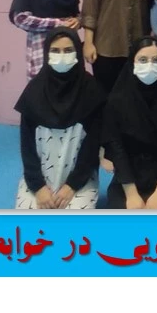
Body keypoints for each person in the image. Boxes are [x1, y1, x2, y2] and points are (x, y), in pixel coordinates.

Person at [12, 28, 106, 209]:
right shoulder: (34, 92)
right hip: (40, 179)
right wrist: (38, 187)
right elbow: (27, 146)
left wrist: (72, 186)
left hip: (79, 180)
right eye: (55, 50)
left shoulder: (91, 91)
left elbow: (92, 147)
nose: (62, 56)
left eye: (68, 50)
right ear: (46, 53)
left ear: (77, 52)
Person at [101, 37, 157, 209]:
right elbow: (116, 149)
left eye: (156, 60)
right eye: (143, 60)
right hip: (127, 180)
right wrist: (132, 195)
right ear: (132, 63)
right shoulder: (117, 101)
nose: (150, 65)